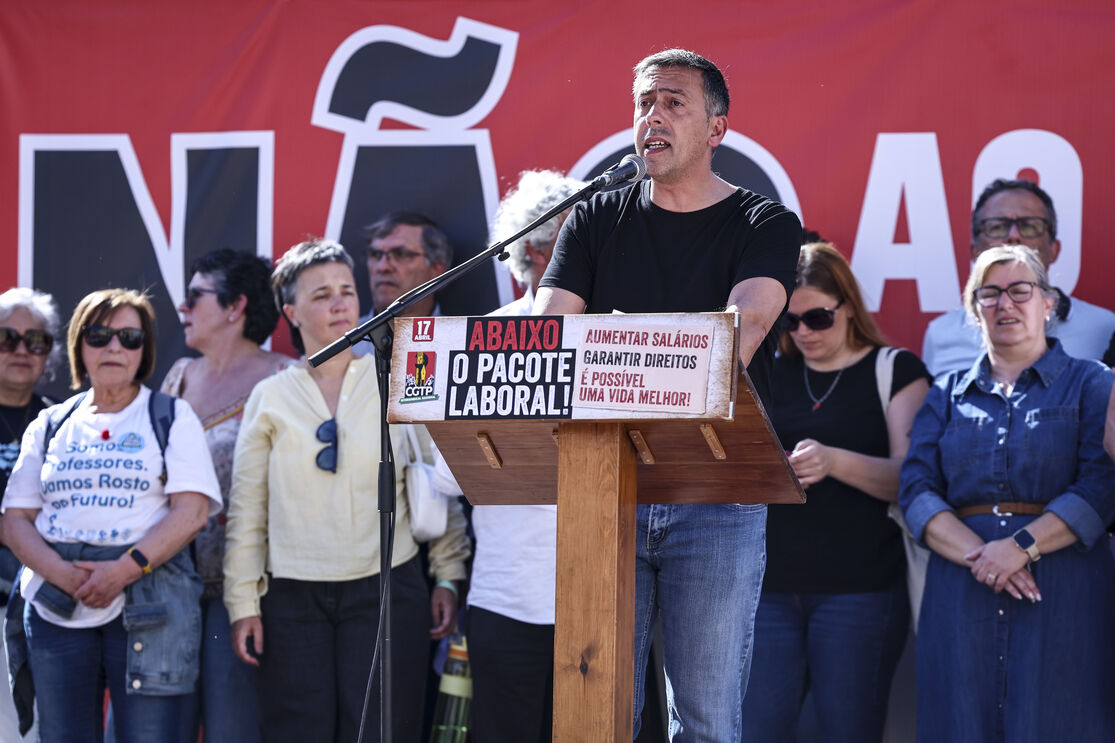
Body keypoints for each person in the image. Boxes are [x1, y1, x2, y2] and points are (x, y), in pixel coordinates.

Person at [535, 49, 801, 740]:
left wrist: (621, 344)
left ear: (715, 128)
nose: (651, 116)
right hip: (607, 487)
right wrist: (636, 350)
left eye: (673, 102)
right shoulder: (593, 218)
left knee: (706, 723)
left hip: (714, 494)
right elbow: (548, 339)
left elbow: (738, 336)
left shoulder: (761, 223)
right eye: (642, 103)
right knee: (597, 718)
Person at [222, 238, 470, 743]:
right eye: (321, 295)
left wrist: (447, 573)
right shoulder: (270, 397)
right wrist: (243, 602)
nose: (340, 303)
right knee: (299, 732)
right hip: (291, 599)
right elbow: (247, 512)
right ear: (290, 311)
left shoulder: (395, 377)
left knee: (385, 731)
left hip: (387, 589)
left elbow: (434, 480)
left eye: (346, 290)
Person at [900, 245, 1115, 741]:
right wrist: (987, 557)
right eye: (990, 293)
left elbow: (1104, 482)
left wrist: (1021, 548)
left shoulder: (1093, 384)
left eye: (1020, 290)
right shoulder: (946, 392)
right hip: (961, 591)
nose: (1005, 304)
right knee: (961, 722)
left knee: (1064, 719)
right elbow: (915, 488)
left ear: (1048, 303)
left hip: (1065, 589)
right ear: (974, 310)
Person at [2, 288, 221, 743]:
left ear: (145, 351)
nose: (115, 347)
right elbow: (15, 520)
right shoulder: (50, 424)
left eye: (129, 337)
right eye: (100, 335)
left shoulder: (171, 416)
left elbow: (192, 511)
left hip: (150, 607)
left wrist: (123, 570)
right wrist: (63, 574)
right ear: (80, 345)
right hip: (56, 609)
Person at [740, 243, 930, 741]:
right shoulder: (769, 372)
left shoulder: (895, 369)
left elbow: (913, 481)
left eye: (819, 317)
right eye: (790, 322)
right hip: (769, 589)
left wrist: (834, 461)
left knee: (846, 730)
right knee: (756, 730)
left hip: (860, 592)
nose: (804, 333)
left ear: (848, 305)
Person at [455, 169, 584, 742]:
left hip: (602, 595)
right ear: (533, 249)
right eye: (573, 238)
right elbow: (448, 472)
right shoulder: (484, 339)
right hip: (507, 598)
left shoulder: (621, 335)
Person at [160, 248, 291, 742]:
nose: (182, 307)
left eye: (196, 296)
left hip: (239, 598)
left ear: (235, 307)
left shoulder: (285, 378)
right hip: (165, 585)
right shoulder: (178, 376)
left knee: (230, 730)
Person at [922, 178, 1115, 376]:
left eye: (1030, 226)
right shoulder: (941, 335)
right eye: (997, 226)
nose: (1013, 237)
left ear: (1054, 249)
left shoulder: (1103, 327)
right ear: (974, 251)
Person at [0, 287, 60, 742]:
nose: (22, 350)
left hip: (36, 607)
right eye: (7, 339)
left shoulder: (59, 422)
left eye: (35, 341)